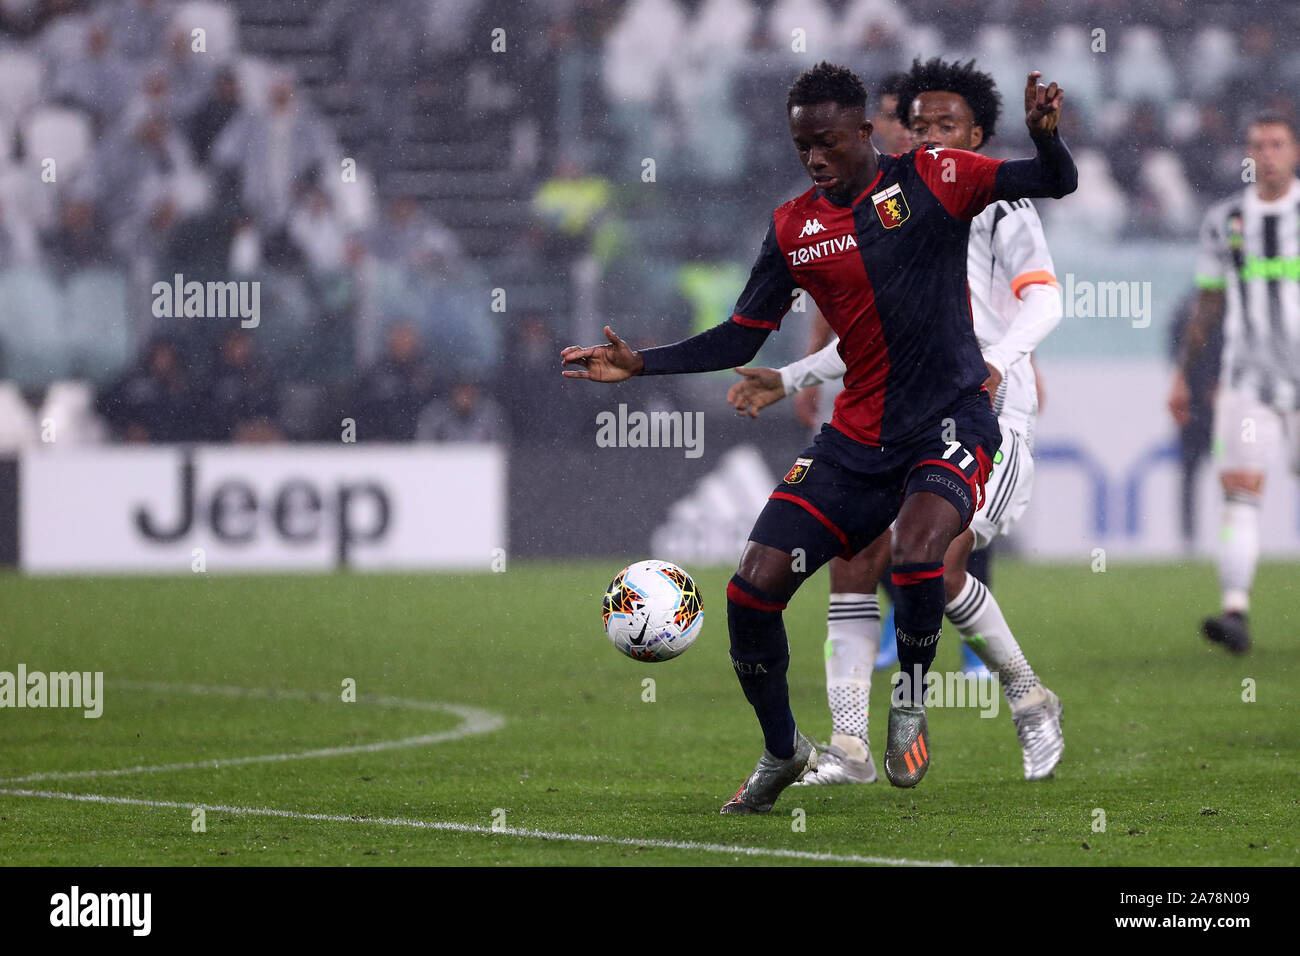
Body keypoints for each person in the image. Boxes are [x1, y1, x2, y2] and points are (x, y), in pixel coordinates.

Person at [562, 62, 1076, 811]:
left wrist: (1045, 136)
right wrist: (644, 364)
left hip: (950, 422)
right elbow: (743, 330)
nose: (815, 158)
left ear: (866, 132)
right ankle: (783, 749)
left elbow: (1051, 181)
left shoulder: (937, 177)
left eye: (829, 142)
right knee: (751, 588)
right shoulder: (795, 227)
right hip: (859, 437)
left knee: (919, 550)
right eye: (803, 145)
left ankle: (908, 700)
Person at [726, 58, 1068, 784]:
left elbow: (1045, 300)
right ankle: (849, 746)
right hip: (905, 410)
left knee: (932, 567)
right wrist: (792, 377)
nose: (930, 137)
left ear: (976, 134)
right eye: (918, 126)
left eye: (947, 127)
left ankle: (1029, 697)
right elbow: (872, 333)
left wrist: (1001, 360)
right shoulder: (897, 204)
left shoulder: (997, 202)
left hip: (992, 412)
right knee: (853, 559)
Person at [1168, 113, 1300, 655]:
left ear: (1293, 153)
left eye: (1275, 144)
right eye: (1256, 144)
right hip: (1246, 383)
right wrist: (1183, 373)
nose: (1265, 154)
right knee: (1240, 499)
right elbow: (1209, 303)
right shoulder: (1225, 221)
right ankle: (1235, 613)